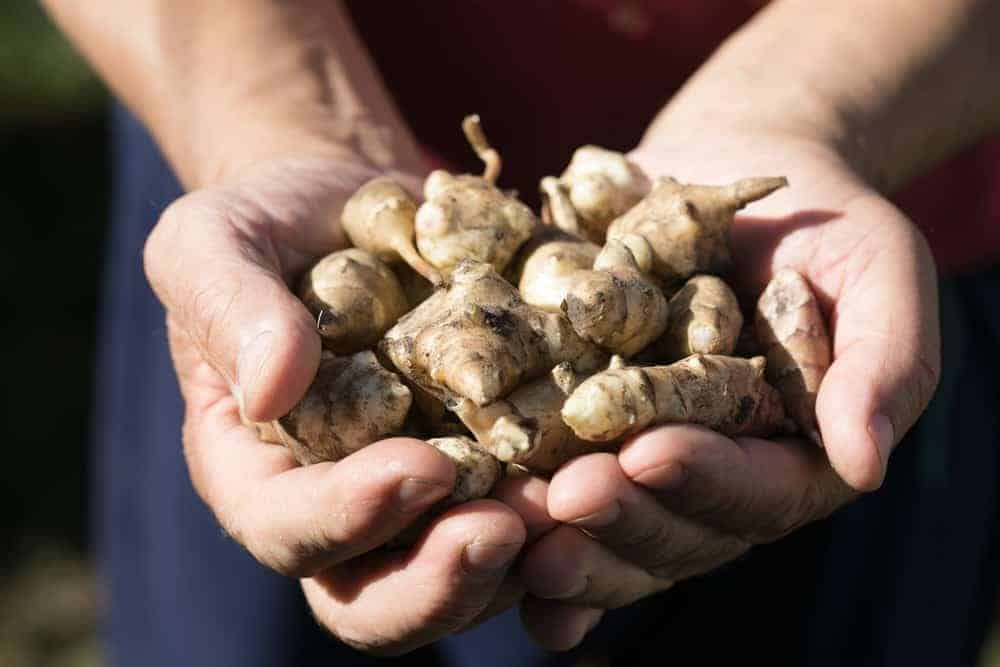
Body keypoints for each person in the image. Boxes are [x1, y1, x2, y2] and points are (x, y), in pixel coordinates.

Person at [44, 0, 1000, 664]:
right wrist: (278, 123)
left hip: (896, 135)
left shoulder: (628, 295)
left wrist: (811, 112)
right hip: (244, 108)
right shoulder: (383, 318)